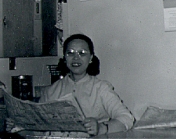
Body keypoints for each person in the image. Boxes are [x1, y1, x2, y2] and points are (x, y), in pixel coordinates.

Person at [6, 33, 135, 137]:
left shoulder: (101, 88)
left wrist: (102, 128)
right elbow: (39, 131)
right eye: (70, 53)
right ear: (64, 58)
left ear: (91, 58)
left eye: (82, 53)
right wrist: (19, 128)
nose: (76, 58)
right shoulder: (51, 90)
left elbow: (127, 119)